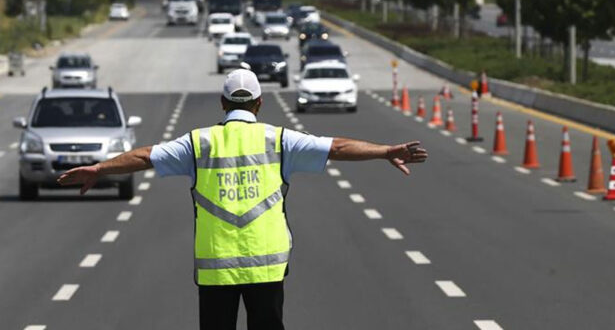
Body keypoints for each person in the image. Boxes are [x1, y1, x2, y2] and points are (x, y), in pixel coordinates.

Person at [57, 69, 428, 330]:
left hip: (216, 267)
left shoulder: (198, 143)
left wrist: (99, 169)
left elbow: (144, 156)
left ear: (222, 102)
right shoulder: (279, 140)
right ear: (260, 103)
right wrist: (384, 151)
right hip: (267, 266)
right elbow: (337, 147)